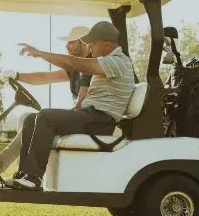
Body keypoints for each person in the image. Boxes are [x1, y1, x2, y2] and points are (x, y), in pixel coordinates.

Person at [13, 21, 136, 190]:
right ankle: (24, 174)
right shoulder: (108, 61)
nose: (89, 46)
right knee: (30, 119)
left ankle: (34, 178)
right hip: (92, 116)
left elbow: (72, 63)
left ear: (107, 44)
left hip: (100, 121)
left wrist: (41, 53)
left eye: (93, 42)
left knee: (45, 116)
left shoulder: (117, 61)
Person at [0, 26, 92, 186]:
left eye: (71, 42)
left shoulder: (90, 66)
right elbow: (46, 76)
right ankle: (20, 173)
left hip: (85, 119)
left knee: (42, 117)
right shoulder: (76, 68)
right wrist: (17, 75)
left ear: (84, 43)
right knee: (27, 119)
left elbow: (81, 104)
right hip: (78, 116)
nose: (66, 46)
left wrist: (60, 118)